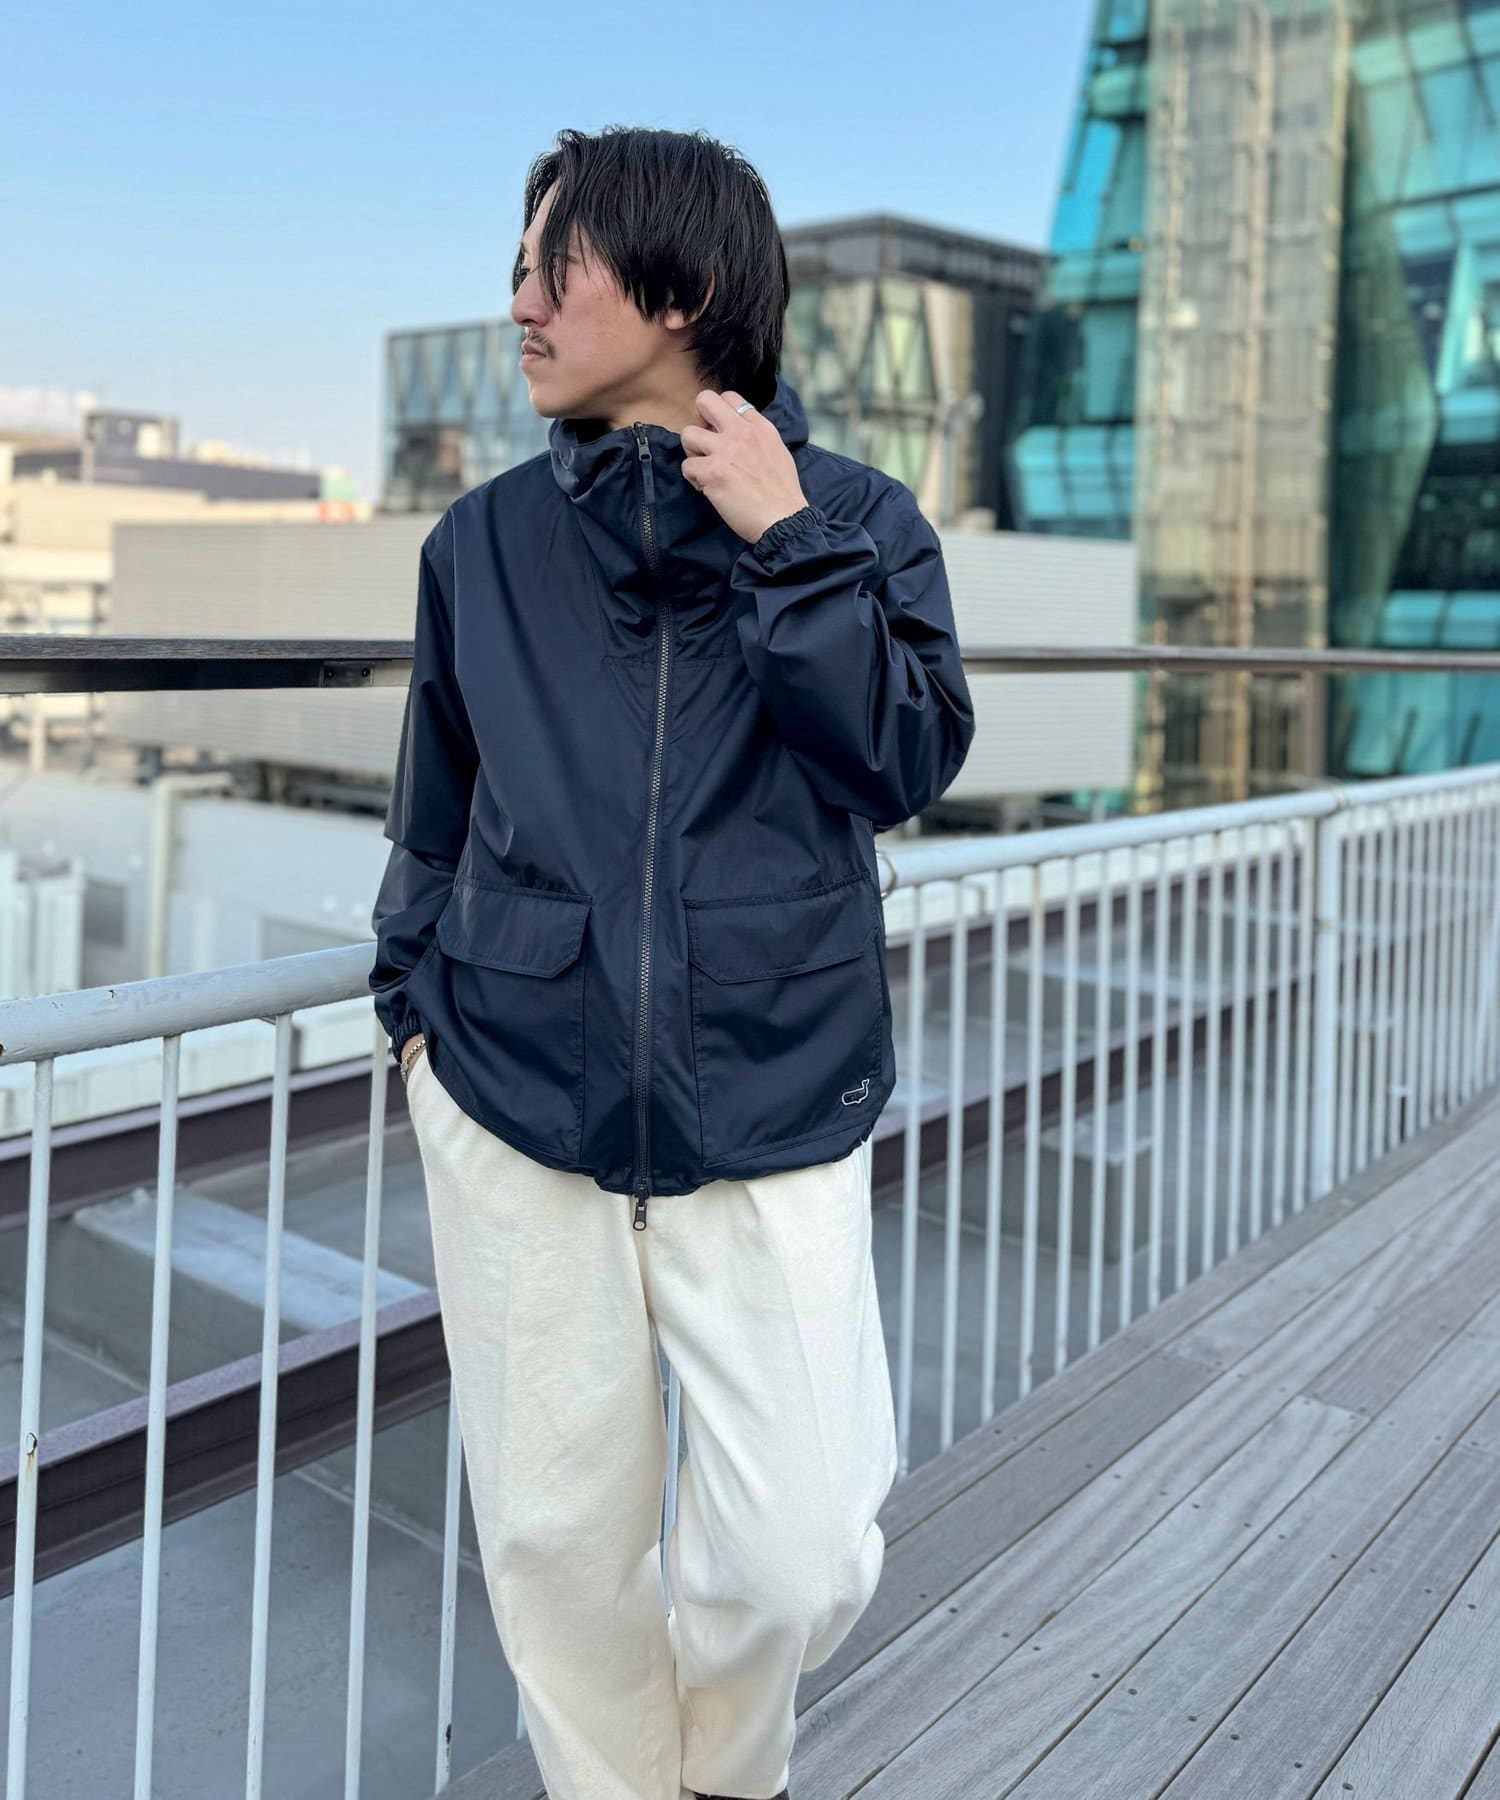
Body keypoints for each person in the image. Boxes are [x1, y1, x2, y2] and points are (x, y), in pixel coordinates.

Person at [370, 124, 975, 1800]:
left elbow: (903, 760)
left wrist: (787, 546)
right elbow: (435, 816)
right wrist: (414, 1022)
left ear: (683, 286)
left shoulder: (856, 518)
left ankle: (728, 1770)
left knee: (801, 1550)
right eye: (514, 272)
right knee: (555, 1545)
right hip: (512, 1093)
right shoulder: (480, 543)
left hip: (772, 1087)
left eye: (548, 267)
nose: (516, 307)